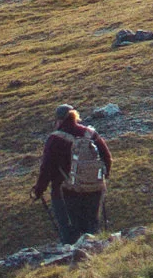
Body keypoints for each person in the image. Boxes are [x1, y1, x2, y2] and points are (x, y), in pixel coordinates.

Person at [34, 102, 112, 241]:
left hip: (65, 191)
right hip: (94, 190)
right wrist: (100, 178)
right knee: (92, 230)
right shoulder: (91, 134)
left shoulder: (55, 139)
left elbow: (46, 168)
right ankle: (95, 252)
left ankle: (73, 252)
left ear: (58, 121)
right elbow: (107, 158)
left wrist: (39, 190)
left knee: (69, 233)